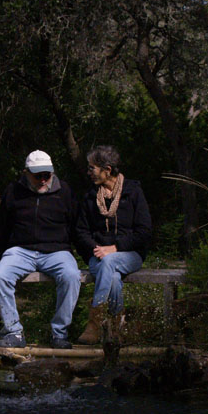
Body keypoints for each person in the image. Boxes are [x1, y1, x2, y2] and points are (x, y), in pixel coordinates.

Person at [0, 150, 80, 349]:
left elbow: (77, 228)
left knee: (72, 276)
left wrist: (91, 256)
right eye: (38, 175)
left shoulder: (65, 191)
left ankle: (59, 334)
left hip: (57, 251)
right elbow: (1, 229)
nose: (43, 180)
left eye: (47, 174)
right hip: (20, 251)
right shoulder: (13, 191)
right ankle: (14, 332)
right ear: (26, 172)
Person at [76, 145, 152, 344]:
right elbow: (81, 232)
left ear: (107, 170)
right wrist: (97, 249)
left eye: (92, 168)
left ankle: (94, 323)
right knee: (114, 278)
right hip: (98, 256)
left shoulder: (133, 192)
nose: (89, 172)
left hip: (130, 254)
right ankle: (117, 328)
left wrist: (115, 248)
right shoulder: (90, 197)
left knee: (110, 263)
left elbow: (144, 232)